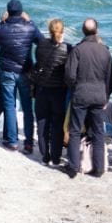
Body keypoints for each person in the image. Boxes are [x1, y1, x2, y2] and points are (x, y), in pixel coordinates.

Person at [64, 18, 112, 178]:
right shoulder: (105, 50)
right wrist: (106, 95)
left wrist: (75, 87)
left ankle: (73, 167)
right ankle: (98, 168)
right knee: (98, 132)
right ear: (96, 31)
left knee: (75, 130)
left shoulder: (77, 50)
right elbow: (109, 77)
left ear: (83, 31)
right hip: (99, 95)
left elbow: (70, 75)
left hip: (81, 94)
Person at [0, 0, 43, 153]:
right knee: (28, 107)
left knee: (10, 105)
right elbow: (42, 43)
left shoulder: (0, 28)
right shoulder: (30, 27)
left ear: (8, 12)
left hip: (7, 70)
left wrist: (1, 22)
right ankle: (28, 142)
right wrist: (30, 22)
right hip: (25, 71)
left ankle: (12, 141)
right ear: (22, 12)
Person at [33, 18, 71, 166]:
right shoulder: (68, 48)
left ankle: (45, 156)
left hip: (42, 89)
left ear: (49, 31)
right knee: (57, 124)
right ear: (63, 31)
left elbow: (38, 63)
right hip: (59, 92)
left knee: (42, 122)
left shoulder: (41, 45)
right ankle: (56, 157)